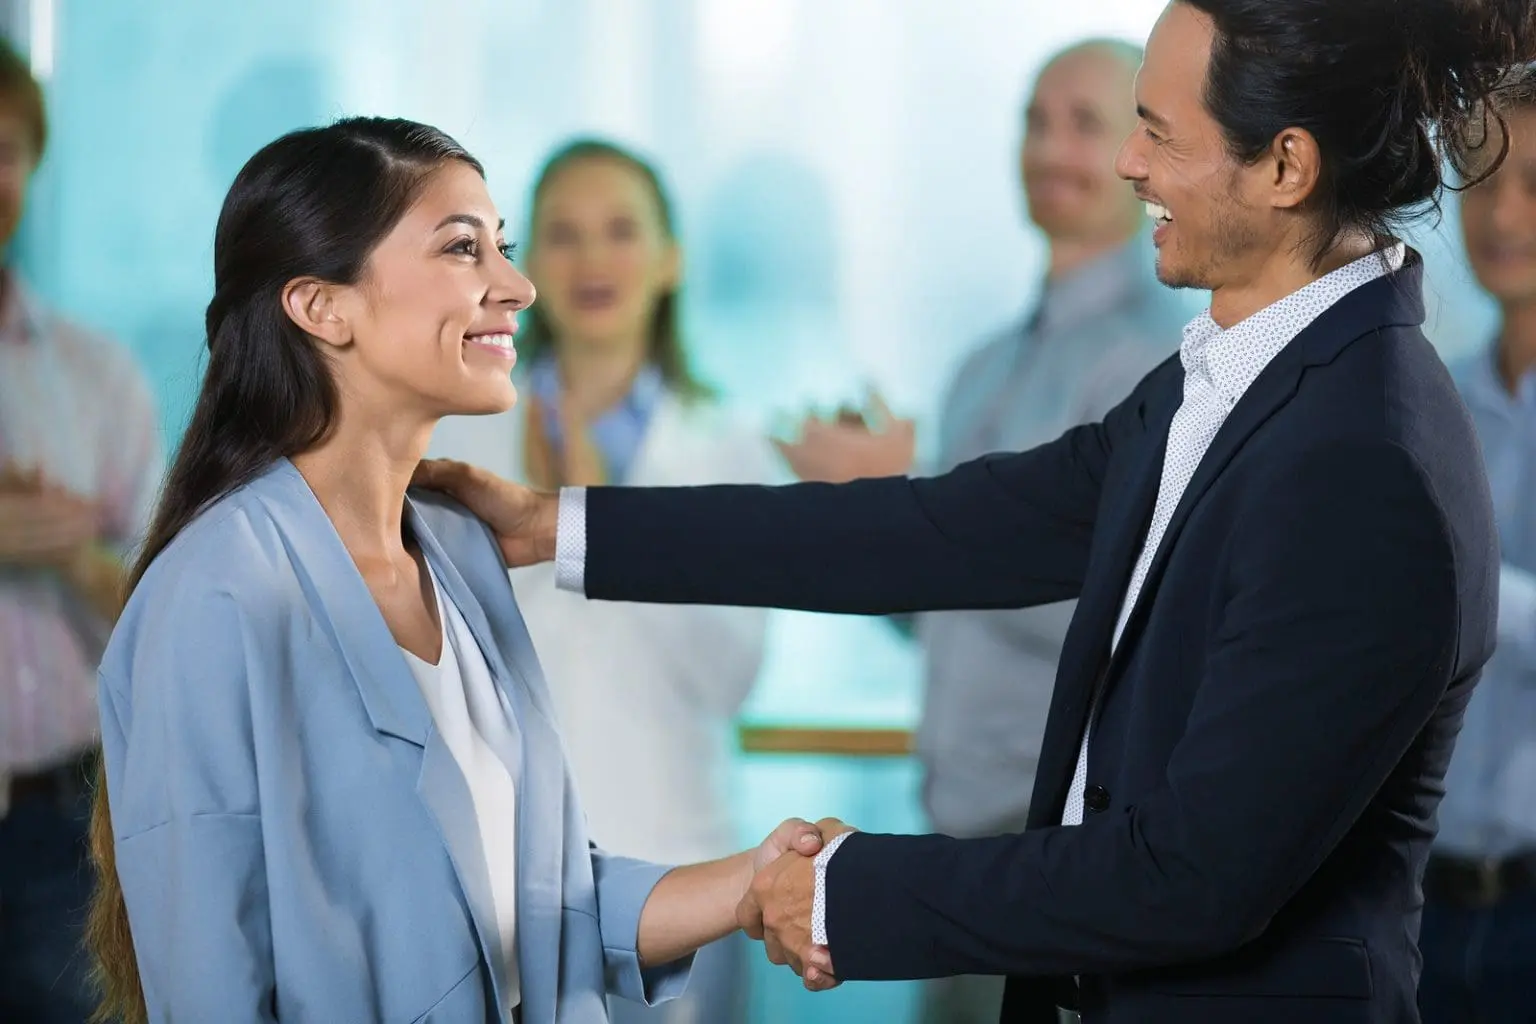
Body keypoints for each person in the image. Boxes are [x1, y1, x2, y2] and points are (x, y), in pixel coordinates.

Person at [415, 0, 1535, 1019]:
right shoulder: (1233, 380)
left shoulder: (1361, 459)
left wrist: (843, 892)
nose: (1129, 164)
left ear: (1285, 166)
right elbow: (943, 532)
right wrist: (556, 525)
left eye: (1157, 133)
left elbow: (1192, 875)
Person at [84, 117, 829, 1024]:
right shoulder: (214, 593)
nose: (519, 287)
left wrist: (753, 881)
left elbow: (537, 909)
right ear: (322, 307)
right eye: (463, 248)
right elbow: (211, 986)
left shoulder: (459, 548)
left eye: (501, 248)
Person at [777, 39, 1189, 1024]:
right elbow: (939, 616)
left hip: (1061, 847)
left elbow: (1129, 610)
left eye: (1084, 123)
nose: (1051, 148)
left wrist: (911, 500)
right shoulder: (981, 369)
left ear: (1143, 149)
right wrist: (875, 518)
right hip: (954, 847)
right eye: (1035, 122)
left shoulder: (1161, 361)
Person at [429, 138, 778, 1024]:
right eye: (563, 234)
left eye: (621, 231)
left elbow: (728, 676)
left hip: (678, 866)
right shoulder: (454, 435)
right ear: (524, 265)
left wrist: (598, 528)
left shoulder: (728, 448)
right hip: (496, 879)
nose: (592, 259)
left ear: (670, 259)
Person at [0, 39, 162, 1024]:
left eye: (6, 151)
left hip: (65, 830)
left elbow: (166, 617)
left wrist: (68, 551)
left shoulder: (97, 378)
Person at [1418, 72, 1536, 1023]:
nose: (1501, 213)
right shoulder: (1433, 399)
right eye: (1481, 177)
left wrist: (1445, 579)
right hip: (1422, 901)